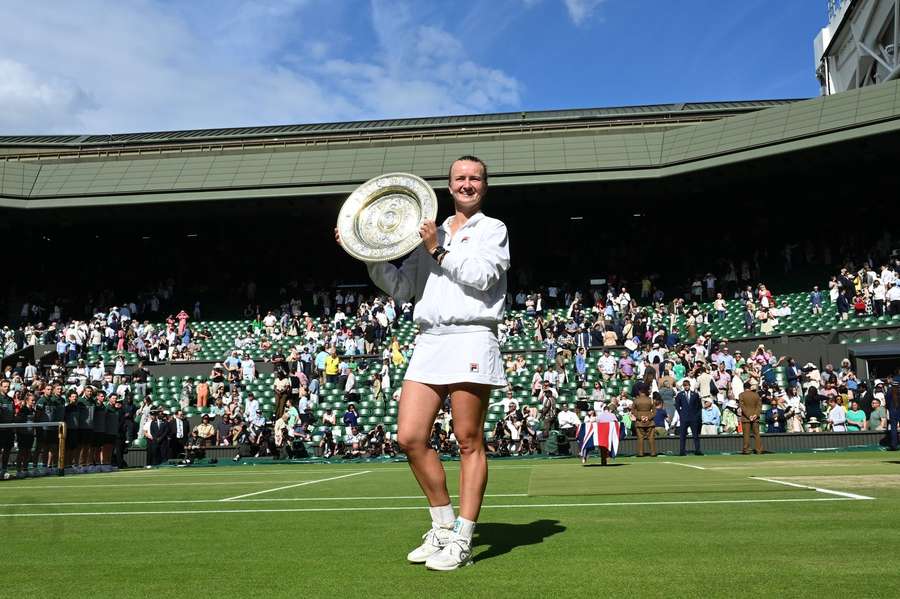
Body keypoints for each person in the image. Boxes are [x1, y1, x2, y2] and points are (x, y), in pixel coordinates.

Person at [342, 156, 509, 571]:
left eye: (474, 178)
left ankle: (465, 539)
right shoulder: (424, 236)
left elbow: (483, 277)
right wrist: (367, 252)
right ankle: (443, 526)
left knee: (468, 439)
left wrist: (438, 247)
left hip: (471, 336)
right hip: (429, 340)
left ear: (484, 185)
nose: (467, 184)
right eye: (460, 179)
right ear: (448, 186)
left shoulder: (492, 229)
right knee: (409, 437)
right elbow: (401, 290)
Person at [675, 380, 702, 456]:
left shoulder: (695, 394)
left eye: (687, 385)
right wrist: (681, 413)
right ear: (683, 386)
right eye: (685, 385)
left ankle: (697, 450)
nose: (686, 387)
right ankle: (682, 451)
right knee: (682, 435)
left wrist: (696, 416)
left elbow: (699, 406)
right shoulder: (680, 395)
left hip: (693, 418)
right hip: (684, 417)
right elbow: (677, 405)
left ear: (690, 386)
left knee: (695, 435)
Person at [739, 383, 764, 454]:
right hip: (755, 418)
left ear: (743, 387)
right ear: (750, 387)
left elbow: (742, 407)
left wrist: (749, 416)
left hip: (746, 418)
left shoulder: (741, 395)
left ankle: (746, 450)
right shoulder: (756, 394)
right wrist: (755, 415)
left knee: (746, 435)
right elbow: (759, 406)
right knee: (757, 434)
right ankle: (759, 450)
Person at [632, 385, 656, 457]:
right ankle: (653, 453)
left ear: (639, 392)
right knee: (651, 438)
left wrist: (640, 417)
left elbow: (633, 411)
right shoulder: (651, 400)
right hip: (650, 422)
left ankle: (640, 453)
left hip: (639, 422)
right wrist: (648, 417)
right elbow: (654, 411)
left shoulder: (636, 400)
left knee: (640, 438)